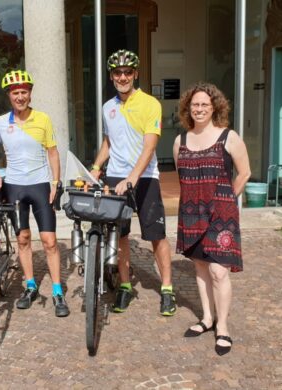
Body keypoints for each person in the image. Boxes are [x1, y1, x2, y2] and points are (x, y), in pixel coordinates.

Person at [89, 49, 176, 316]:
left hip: (144, 177)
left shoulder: (150, 104)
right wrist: (95, 167)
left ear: (136, 74)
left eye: (128, 72)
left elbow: (149, 147)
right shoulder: (108, 107)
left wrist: (133, 177)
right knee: (121, 235)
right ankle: (125, 285)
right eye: (118, 72)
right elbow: (109, 142)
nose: (123, 76)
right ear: (112, 76)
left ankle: (167, 289)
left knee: (156, 235)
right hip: (116, 177)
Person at [0, 70, 70, 317]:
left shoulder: (43, 118)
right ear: (9, 96)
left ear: (30, 93)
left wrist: (55, 181)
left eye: (24, 92)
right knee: (22, 238)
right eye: (15, 93)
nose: (20, 97)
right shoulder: (1, 123)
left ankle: (57, 290)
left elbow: (52, 152)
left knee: (49, 241)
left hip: (40, 184)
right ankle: (30, 286)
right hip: (15, 186)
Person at [173, 82, 250, 356]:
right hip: (192, 213)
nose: (200, 108)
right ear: (188, 108)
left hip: (221, 214)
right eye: (195, 104)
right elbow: (183, 180)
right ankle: (207, 318)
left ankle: (223, 327)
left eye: (205, 104)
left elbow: (244, 172)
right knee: (201, 268)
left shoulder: (228, 137)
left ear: (214, 106)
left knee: (219, 271)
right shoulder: (180, 141)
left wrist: (227, 199)